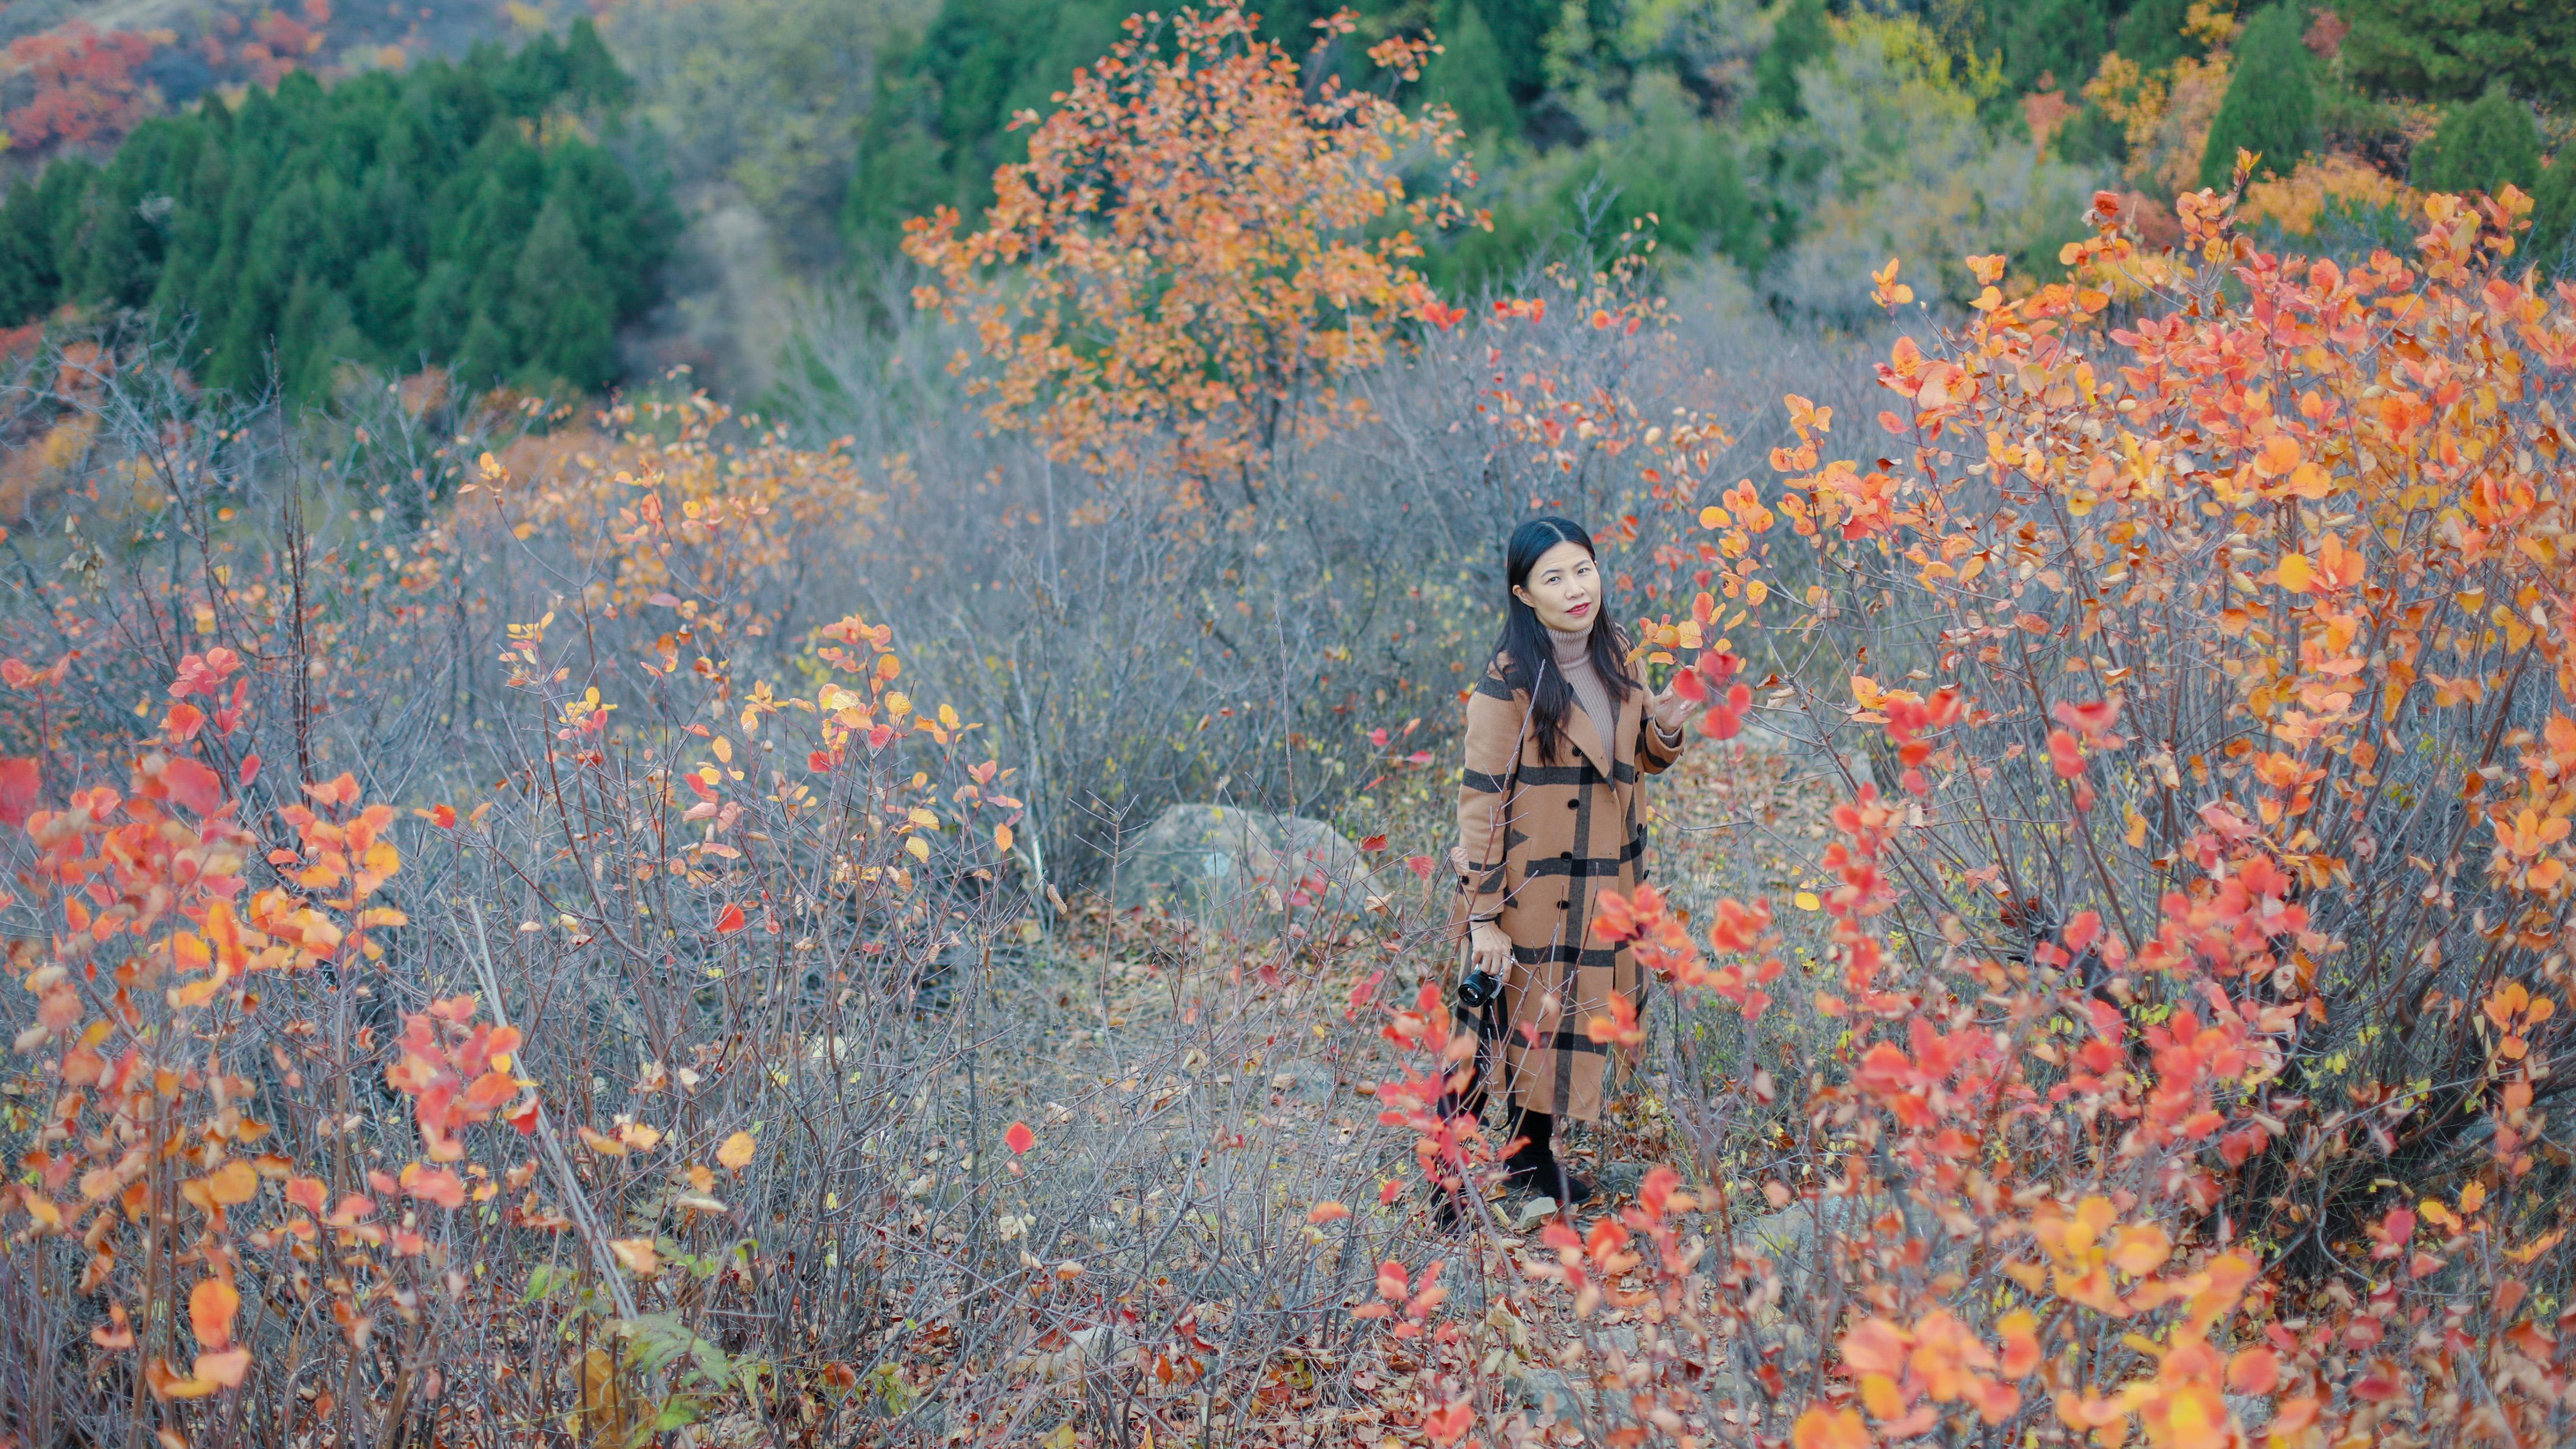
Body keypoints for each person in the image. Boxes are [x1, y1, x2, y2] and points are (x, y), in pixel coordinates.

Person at [1447, 516, 1703, 1215]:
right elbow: (1482, 802)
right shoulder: (1509, 681)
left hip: (1601, 879)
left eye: (1583, 569)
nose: (1575, 588)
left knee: (1564, 1025)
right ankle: (1450, 1181)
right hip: (1529, 883)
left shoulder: (1619, 654)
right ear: (1524, 594)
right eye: (1553, 577)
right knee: (1495, 1026)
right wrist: (1484, 916)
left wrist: (1669, 725)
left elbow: (1637, 758)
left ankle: (1531, 1165)